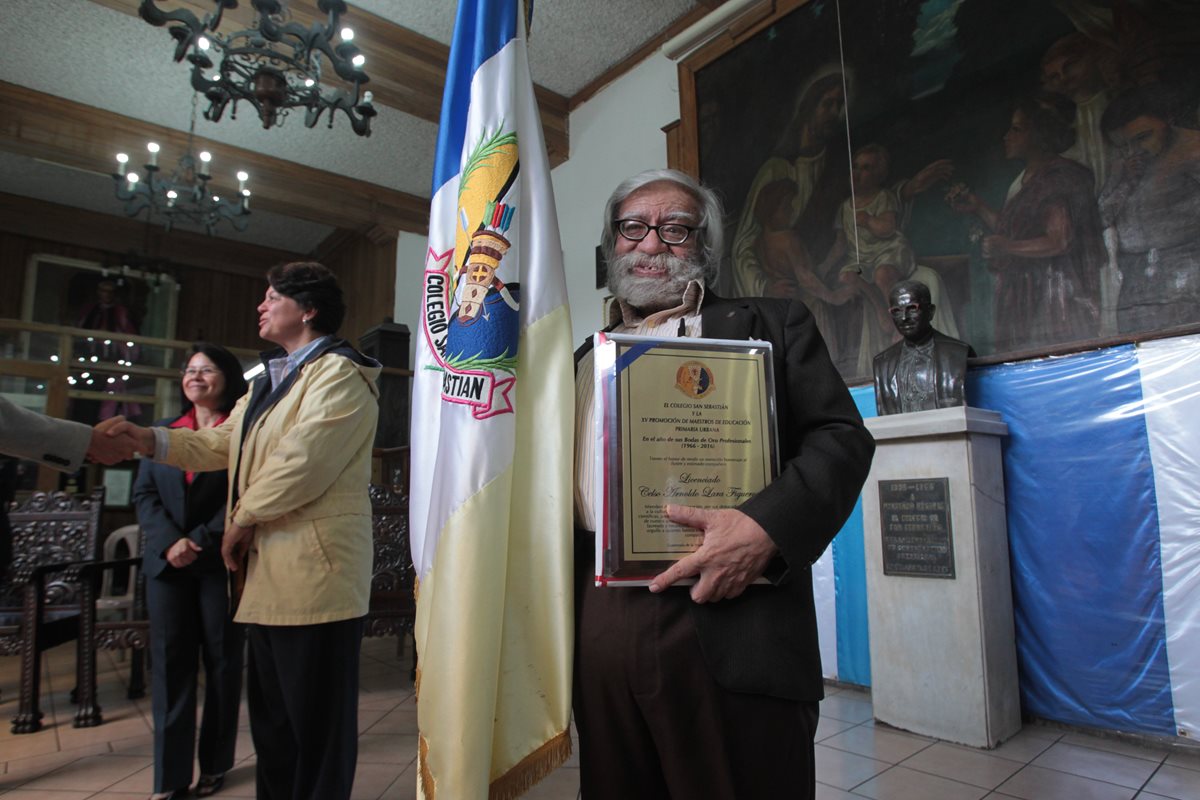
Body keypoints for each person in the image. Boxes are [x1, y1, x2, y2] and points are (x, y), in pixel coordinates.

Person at [573, 169, 875, 798]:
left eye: (676, 229)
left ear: (703, 249)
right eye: (633, 228)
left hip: (734, 611)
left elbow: (841, 439)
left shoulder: (772, 323)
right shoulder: (579, 358)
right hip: (601, 614)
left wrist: (765, 527)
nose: (651, 244)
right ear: (612, 245)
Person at [112, 263, 381, 800]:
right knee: (275, 725)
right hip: (268, 578)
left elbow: (302, 462)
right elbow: (218, 443)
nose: (260, 306)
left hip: (316, 577)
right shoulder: (271, 378)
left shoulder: (340, 373)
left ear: (307, 310)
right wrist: (148, 440)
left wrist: (239, 520)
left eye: (272, 297)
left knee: (317, 729)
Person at [134, 343, 249, 800]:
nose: (196, 376)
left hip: (219, 562)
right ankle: (169, 778)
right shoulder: (160, 432)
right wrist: (170, 542)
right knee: (170, 667)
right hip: (166, 566)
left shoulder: (240, 431)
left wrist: (199, 539)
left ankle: (216, 764)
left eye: (207, 369)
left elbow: (244, 494)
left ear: (228, 378)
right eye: (190, 370)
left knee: (222, 665)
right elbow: (144, 496)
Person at [949, 93, 1103, 354]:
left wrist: (1007, 248)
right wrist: (978, 208)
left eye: (1017, 129)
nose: (1007, 136)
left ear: (1040, 134)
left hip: (1053, 295)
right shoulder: (1027, 180)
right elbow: (1018, 231)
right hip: (1024, 292)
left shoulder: (1058, 177)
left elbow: (1059, 240)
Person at [1098, 85, 1200, 334]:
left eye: (1143, 137)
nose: (1134, 150)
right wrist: (1126, 182)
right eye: (1123, 145)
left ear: (1168, 120)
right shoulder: (1123, 163)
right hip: (1135, 274)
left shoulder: (1193, 149)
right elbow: (1102, 215)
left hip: (1187, 267)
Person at [873, 280, 976, 416]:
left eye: (912, 308)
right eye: (896, 311)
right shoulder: (883, 363)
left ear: (930, 311)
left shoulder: (957, 352)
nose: (904, 318)